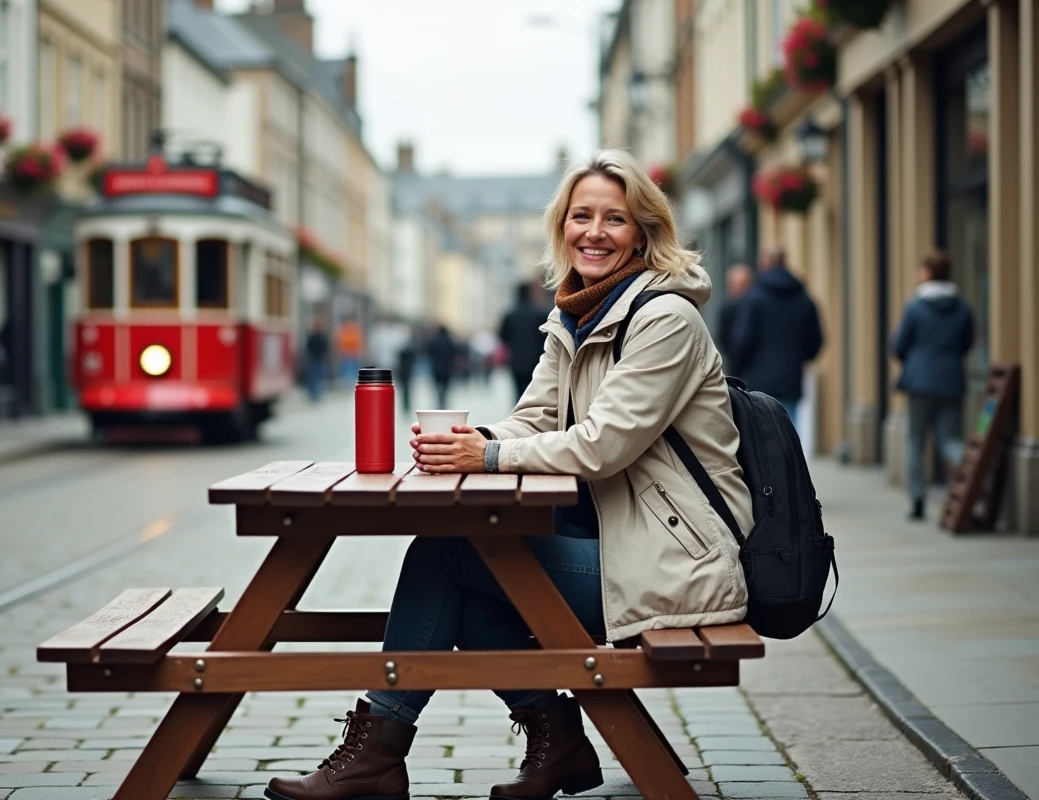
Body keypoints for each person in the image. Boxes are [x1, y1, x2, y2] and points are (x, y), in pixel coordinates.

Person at [264, 149, 752, 800]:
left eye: (615, 218)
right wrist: (480, 439)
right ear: (562, 226)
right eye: (582, 216)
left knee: (451, 559)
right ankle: (555, 745)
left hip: (676, 565)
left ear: (644, 232)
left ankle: (382, 751)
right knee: (469, 576)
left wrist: (486, 459)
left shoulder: (665, 320)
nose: (595, 232)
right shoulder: (575, 318)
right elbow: (534, 418)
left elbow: (602, 445)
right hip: (625, 547)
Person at [891, 248, 974, 521]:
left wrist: (915, 359)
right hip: (951, 380)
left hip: (919, 381)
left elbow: (899, 345)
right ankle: (974, 472)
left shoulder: (915, 306)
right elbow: (967, 343)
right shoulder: (962, 307)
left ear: (928, 273)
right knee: (949, 440)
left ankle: (917, 502)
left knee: (915, 441)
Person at [728, 247, 823, 427]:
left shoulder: (753, 297)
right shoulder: (804, 298)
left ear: (763, 265)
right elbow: (815, 340)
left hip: (759, 378)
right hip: (791, 377)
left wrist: (739, 370)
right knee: (790, 429)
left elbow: (742, 339)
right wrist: (799, 359)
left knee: (763, 434)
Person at [499, 282, 551, 402]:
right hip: (536, 361)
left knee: (518, 393)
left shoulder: (509, 315)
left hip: (516, 361)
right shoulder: (540, 314)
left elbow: (503, 337)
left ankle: (518, 416)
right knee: (534, 393)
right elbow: (546, 337)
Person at [717, 263, 753, 370]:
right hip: (734, 362)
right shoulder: (726, 309)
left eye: (742, 284)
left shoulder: (756, 307)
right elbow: (722, 336)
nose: (738, 288)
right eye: (734, 284)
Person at [425, 324, 457, 409]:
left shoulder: (434, 341)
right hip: (447, 368)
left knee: (437, 387)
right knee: (446, 388)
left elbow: (428, 352)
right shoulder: (449, 341)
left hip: (437, 368)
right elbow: (454, 353)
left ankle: (439, 402)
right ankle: (444, 402)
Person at [304, 319, 330, 403]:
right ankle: (314, 394)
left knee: (317, 377)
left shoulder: (318, 337)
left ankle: (316, 394)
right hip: (316, 359)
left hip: (318, 359)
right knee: (315, 377)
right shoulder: (316, 337)